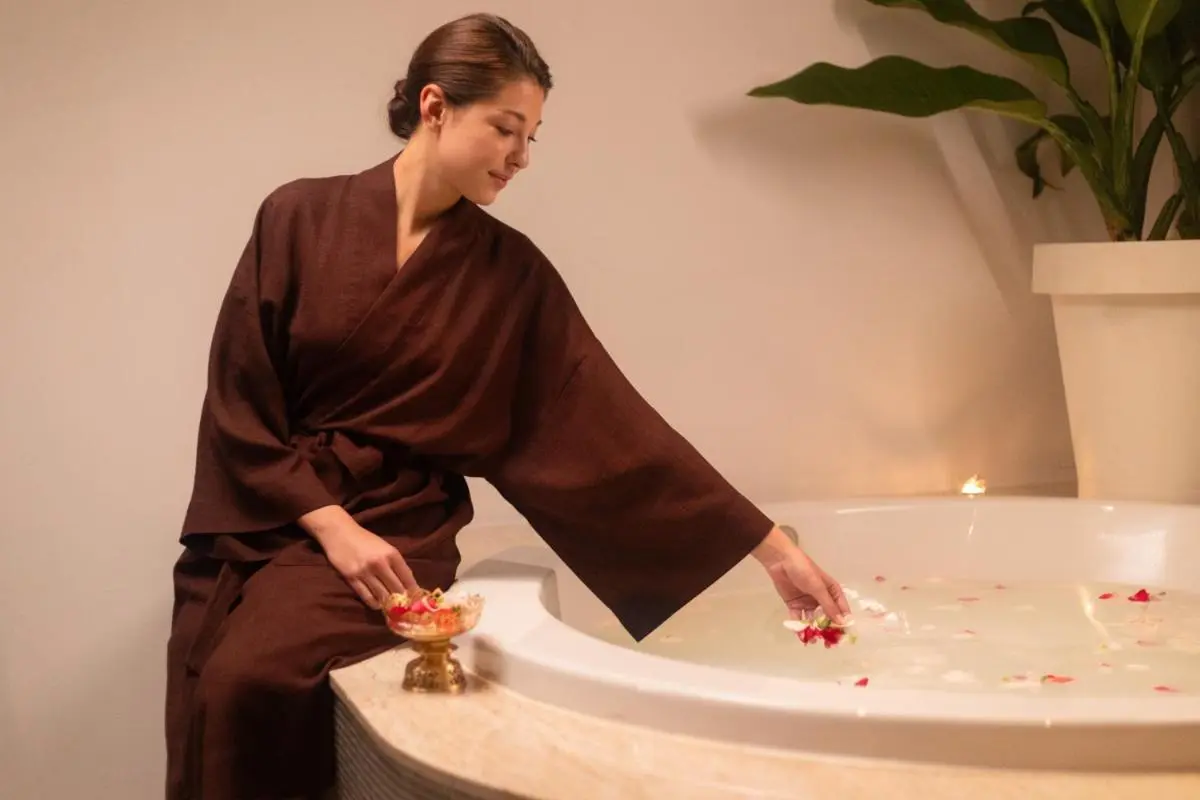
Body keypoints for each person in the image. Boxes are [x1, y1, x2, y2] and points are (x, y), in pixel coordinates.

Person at [164, 11, 850, 799]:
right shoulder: (297, 215)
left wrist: (770, 548)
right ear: (434, 107)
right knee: (214, 667)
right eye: (506, 129)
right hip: (272, 509)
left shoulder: (511, 275)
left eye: (533, 137)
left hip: (397, 527)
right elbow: (239, 397)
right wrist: (329, 524)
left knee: (253, 677)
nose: (522, 157)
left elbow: (612, 427)